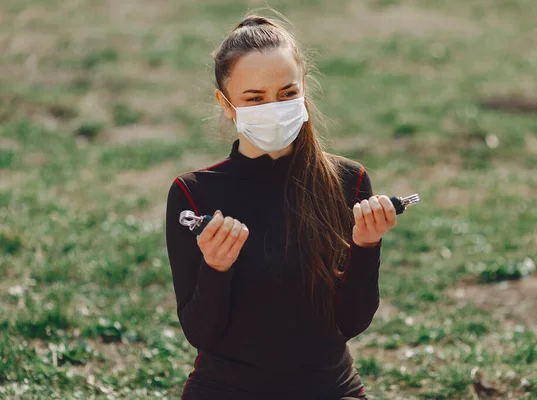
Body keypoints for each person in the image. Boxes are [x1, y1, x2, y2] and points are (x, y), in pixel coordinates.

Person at [165, 12, 398, 400]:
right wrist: (216, 269)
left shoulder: (348, 181)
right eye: (254, 98)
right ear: (226, 104)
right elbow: (201, 334)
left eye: (287, 94)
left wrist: (366, 247)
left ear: (304, 89)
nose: (272, 107)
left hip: (327, 386)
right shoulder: (193, 194)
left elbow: (352, 322)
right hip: (228, 389)